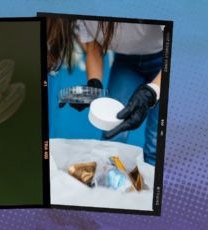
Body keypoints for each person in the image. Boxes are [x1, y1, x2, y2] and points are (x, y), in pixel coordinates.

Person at [47, 18, 164, 166]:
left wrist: (152, 92)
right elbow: (93, 47)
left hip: (165, 59)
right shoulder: (80, 16)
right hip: (126, 62)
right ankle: (108, 182)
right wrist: (94, 84)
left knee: (155, 146)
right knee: (112, 138)